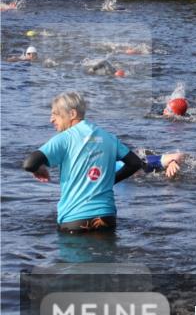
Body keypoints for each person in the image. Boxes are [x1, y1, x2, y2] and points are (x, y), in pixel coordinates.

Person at [22, 92, 143, 233]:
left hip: (75, 220)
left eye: (55, 114)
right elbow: (135, 163)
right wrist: (109, 181)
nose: (51, 119)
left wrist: (38, 169)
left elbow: (29, 164)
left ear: (72, 114)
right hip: (107, 218)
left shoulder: (65, 138)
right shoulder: (108, 137)